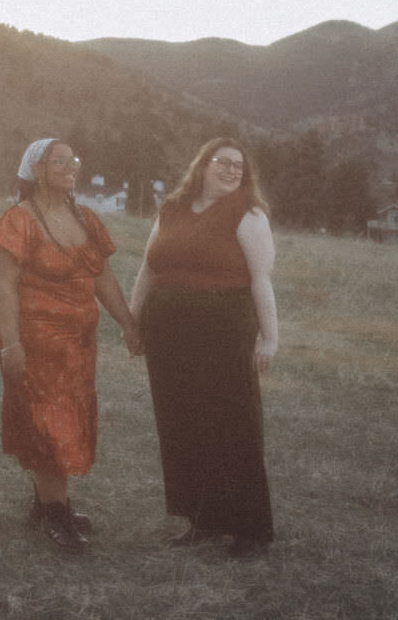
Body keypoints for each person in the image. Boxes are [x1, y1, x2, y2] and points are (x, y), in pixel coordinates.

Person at [0, 138, 143, 553]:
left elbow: (103, 278)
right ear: (36, 170)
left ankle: (48, 505)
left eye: (73, 160)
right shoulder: (17, 221)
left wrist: (127, 323)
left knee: (67, 418)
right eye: (59, 161)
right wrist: (11, 345)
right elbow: (4, 288)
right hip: (34, 342)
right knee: (46, 421)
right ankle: (56, 515)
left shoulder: (87, 220)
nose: (70, 166)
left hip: (77, 346)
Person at [129, 137, 279, 558]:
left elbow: (260, 280)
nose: (233, 170)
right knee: (182, 424)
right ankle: (203, 520)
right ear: (203, 165)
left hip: (223, 331)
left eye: (239, 166)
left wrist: (270, 338)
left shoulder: (248, 215)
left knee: (234, 425)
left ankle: (250, 531)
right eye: (224, 162)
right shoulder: (172, 209)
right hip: (168, 332)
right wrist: (133, 321)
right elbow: (148, 267)